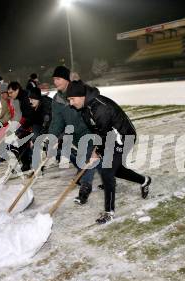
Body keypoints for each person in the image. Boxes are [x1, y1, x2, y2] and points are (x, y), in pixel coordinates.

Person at [66, 80, 152, 224]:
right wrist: (97, 148)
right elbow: (97, 131)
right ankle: (145, 180)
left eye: (72, 99)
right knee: (116, 170)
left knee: (107, 171)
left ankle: (109, 212)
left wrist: (97, 151)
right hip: (110, 136)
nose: (71, 103)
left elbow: (106, 135)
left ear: (81, 96)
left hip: (124, 136)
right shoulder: (85, 109)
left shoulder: (100, 108)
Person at [49, 66, 97, 205]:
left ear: (66, 79)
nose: (55, 82)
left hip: (89, 130)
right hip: (75, 134)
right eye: (54, 79)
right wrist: (52, 137)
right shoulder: (57, 99)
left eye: (58, 79)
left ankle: (85, 189)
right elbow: (57, 121)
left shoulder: (78, 90)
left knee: (89, 158)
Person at [7, 81, 35, 171]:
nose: (10, 95)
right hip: (29, 121)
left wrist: (22, 127)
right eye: (9, 93)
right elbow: (23, 115)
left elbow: (30, 114)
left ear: (17, 90)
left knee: (21, 139)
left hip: (36, 121)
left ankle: (27, 163)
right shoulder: (20, 98)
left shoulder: (25, 97)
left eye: (11, 92)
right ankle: (27, 162)